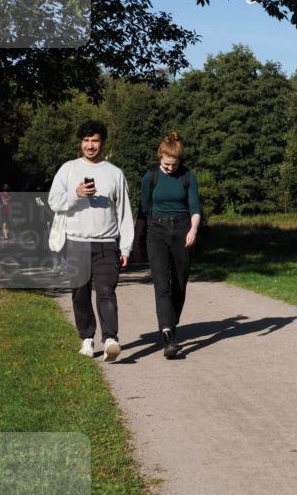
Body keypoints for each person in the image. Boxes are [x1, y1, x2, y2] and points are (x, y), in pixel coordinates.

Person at [48, 120, 134, 361]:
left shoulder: (115, 173)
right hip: (76, 241)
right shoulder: (68, 169)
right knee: (80, 293)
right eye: (86, 140)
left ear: (102, 143)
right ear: (80, 143)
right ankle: (87, 338)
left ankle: (110, 340)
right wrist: (76, 194)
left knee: (107, 291)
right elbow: (54, 202)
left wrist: (126, 246)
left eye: (95, 140)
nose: (90, 145)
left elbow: (124, 212)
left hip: (107, 243)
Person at [139, 131, 201, 358]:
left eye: (174, 165)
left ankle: (171, 322)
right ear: (160, 158)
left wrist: (193, 229)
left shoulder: (188, 177)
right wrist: (136, 239)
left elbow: (195, 207)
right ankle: (168, 336)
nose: (169, 169)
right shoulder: (150, 177)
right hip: (156, 230)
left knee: (180, 284)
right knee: (162, 283)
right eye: (166, 165)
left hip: (183, 229)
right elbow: (143, 210)